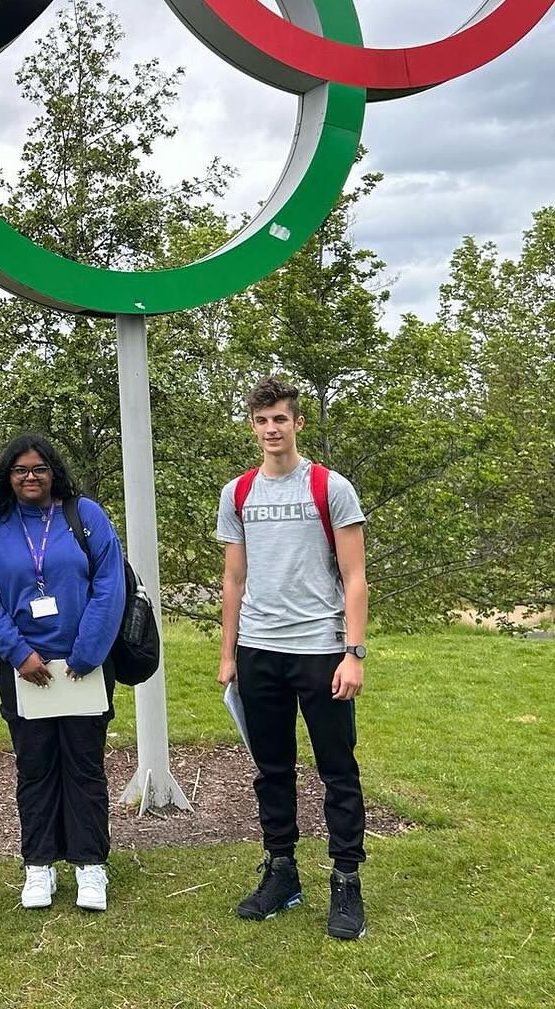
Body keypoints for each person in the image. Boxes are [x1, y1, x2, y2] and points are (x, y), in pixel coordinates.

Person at [217, 375, 371, 940]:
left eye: (280, 419)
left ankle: (346, 879)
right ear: (252, 426)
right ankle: (281, 871)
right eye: (262, 420)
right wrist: (228, 654)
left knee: (337, 769)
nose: (271, 429)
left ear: (297, 423)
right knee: (272, 769)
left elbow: (355, 576)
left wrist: (353, 653)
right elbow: (234, 580)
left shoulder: (330, 488)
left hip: (321, 651)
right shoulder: (238, 493)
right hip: (259, 651)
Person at [0, 432, 125, 912]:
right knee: (34, 767)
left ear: (53, 472)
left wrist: (87, 652)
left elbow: (110, 582)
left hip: (84, 666)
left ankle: (90, 865)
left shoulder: (85, 515)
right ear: (8, 476)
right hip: (24, 670)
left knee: (84, 766)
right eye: (20, 470)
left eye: (39, 469)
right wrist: (18, 653)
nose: (30, 477)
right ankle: (39, 865)